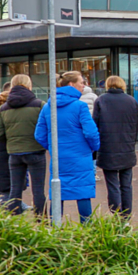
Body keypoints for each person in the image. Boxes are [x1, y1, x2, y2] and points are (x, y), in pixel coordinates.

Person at [34, 71, 101, 224]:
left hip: (58, 158)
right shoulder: (80, 106)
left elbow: (39, 134)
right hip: (80, 156)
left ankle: (55, 229)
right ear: (71, 84)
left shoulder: (47, 107)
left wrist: (53, 147)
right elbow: (91, 133)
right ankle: (87, 231)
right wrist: (92, 148)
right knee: (82, 192)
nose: (84, 85)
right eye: (81, 82)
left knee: (58, 192)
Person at [0, 75, 45, 216]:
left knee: (15, 190)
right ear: (29, 85)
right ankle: (42, 221)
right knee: (38, 190)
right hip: (36, 151)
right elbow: (48, 128)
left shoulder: (3, 108)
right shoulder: (39, 104)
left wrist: (11, 140)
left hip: (14, 153)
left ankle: (13, 221)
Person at [92, 75, 138, 218]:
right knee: (126, 184)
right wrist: (132, 142)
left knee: (112, 183)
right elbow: (136, 125)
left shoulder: (101, 100)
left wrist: (95, 149)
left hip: (107, 148)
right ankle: (127, 213)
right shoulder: (131, 101)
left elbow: (95, 125)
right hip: (127, 147)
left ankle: (116, 211)